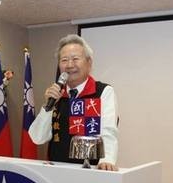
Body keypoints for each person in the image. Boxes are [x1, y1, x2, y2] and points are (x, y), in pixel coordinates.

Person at [29, 34, 119, 171]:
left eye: (75, 59)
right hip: (57, 170)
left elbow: (108, 130)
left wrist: (107, 160)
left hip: (91, 171)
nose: (70, 65)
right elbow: (37, 138)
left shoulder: (103, 92)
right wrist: (48, 107)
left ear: (89, 63)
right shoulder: (56, 94)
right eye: (64, 60)